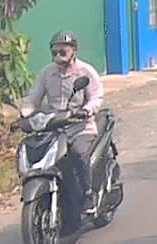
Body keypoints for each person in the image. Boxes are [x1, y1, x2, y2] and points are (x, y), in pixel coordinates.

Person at [21, 31, 104, 214]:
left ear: (73, 50)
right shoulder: (46, 73)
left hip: (80, 126)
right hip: (53, 128)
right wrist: (24, 113)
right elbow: (33, 98)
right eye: (55, 52)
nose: (58, 56)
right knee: (37, 152)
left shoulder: (85, 72)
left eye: (63, 52)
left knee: (78, 154)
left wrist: (86, 110)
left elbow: (96, 97)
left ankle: (88, 194)